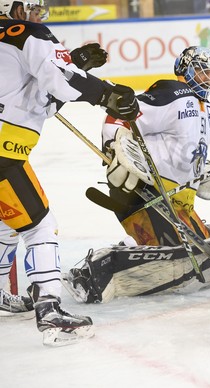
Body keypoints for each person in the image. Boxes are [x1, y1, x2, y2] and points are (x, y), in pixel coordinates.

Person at [0, 0, 139, 345]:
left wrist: (74, 62)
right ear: (14, 9)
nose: (37, 17)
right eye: (32, 9)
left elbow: (37, 98)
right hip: (3, 151)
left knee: (8, 223)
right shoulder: (26, 33)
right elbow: (57, 79)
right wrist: (105, 92)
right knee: (39, 225)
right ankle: (49, 310)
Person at [62, 46, 210, 304]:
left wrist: (201, 173)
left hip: (178, 198)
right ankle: (88, 273)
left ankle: (136, 246)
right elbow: (118, 114)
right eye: (201, 71)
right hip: (145, 190)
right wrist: (114, 150)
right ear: (185, 70)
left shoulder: (205, 109)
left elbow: (187, 153)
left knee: (204, 251)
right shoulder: (173, 93)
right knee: (177, 253)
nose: (206, 78)